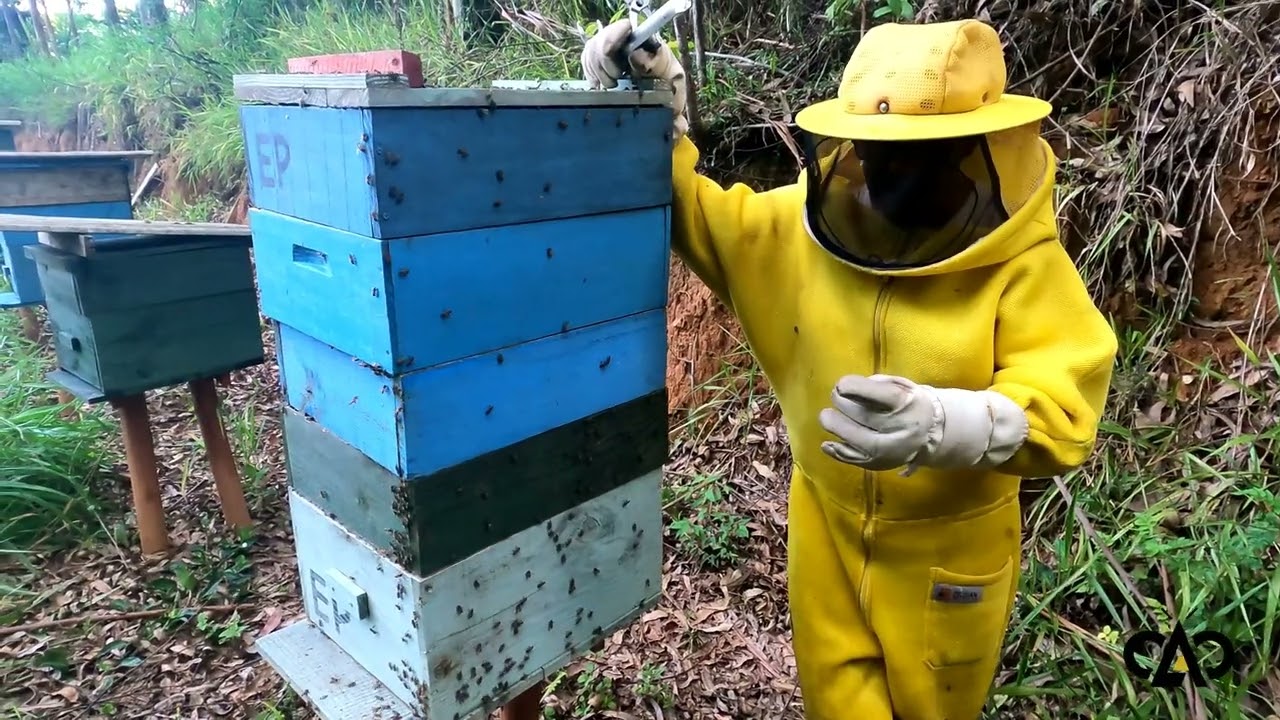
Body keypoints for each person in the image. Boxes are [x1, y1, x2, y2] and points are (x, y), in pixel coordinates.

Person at [582, 17, 1119, 720]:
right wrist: (650, 114)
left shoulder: (1021, 267)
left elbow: (1065, 400)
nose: (891, 177)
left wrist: (952, 423)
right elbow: (700, 215)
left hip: (948, 549)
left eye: (922, 158)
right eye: (877, 155)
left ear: (980, 150)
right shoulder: (793, 232)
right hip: (824, 527)